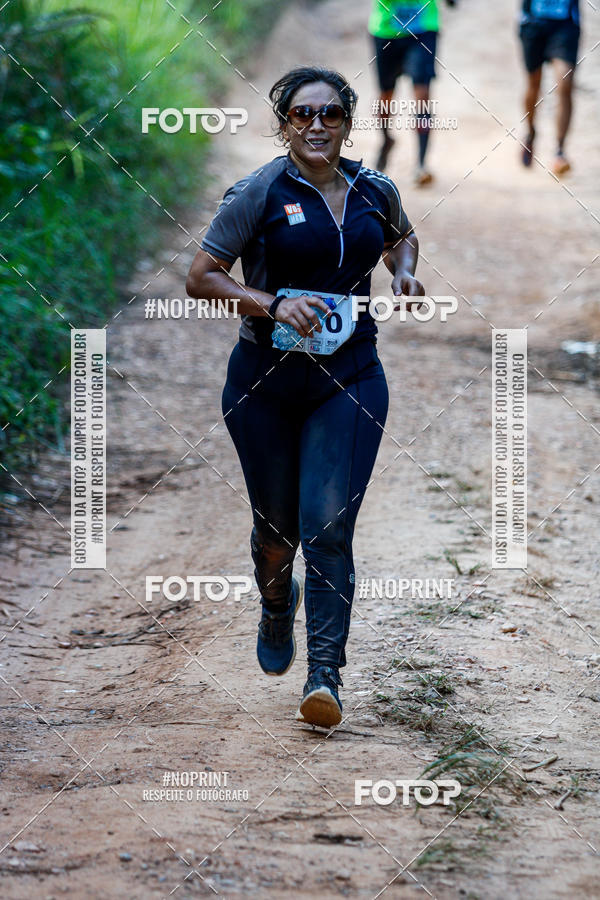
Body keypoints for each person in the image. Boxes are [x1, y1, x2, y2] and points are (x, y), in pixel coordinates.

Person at [186, 66, 424, 729]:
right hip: (262, 383)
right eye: (302, 115)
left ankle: (325, 678)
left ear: (348, 121)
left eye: (330, 115)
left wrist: (404, 272)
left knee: (327, 526)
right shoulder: (257, 193)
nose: (316, 126)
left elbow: (402, 235)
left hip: (350, 377)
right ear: (284, 122)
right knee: (278, 534)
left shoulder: (374, 188)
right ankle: (272, 601)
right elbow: (201, 278)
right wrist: (273, 302)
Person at [368, 0, 456, 184]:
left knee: (422, 94)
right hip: (386, 30)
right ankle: (386, 140)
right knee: (385, 96)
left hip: (423, 29)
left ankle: (421, 165)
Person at [518, 0, 581, 174]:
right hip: (532, 21)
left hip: (566, 22)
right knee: (533, 84)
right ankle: (530, 133)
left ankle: (559, 151)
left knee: (565, 82)